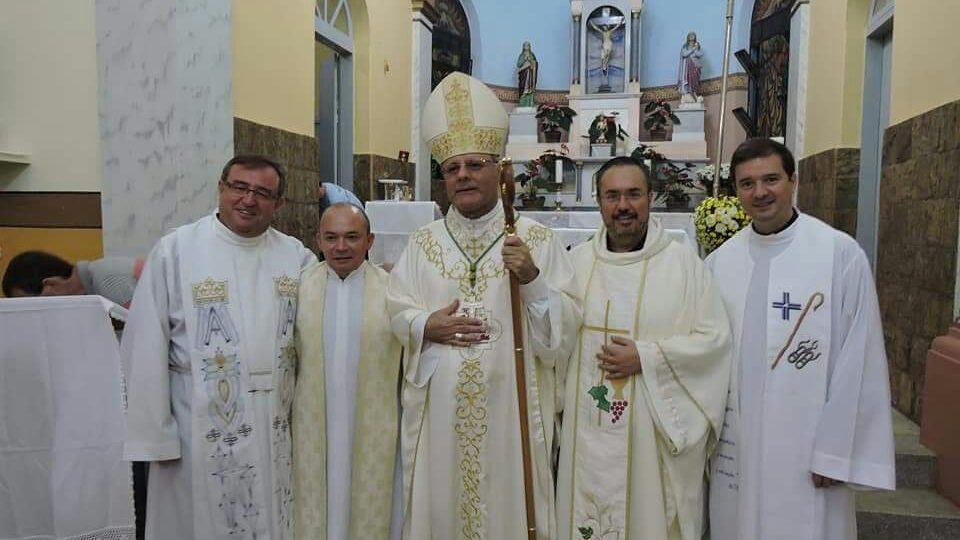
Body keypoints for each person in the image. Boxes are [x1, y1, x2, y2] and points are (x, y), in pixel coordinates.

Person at [387, 71, 581, 539]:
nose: (463, 176)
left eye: (474, 164)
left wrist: (532, 279)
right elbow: (394, 308)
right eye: (453, 169)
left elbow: (564, 334)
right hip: (440, 420)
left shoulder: (536, 240)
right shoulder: (422, 243)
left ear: (500, 169)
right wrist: (422, 325)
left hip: (512, 416)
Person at [707, 138, 895, 540]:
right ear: (736, 191)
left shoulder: (838, 254)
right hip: (737, 446)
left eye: (771, 179)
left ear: (794, 180)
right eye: (747, 183)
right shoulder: (720, 263)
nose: (760, 193)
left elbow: (858, 359)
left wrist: (836, 451)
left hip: (809, 448)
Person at [121, 155, 317, 540]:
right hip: (197, 426)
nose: (249, 200)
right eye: (240, 187)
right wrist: (155, 434)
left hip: (277, 423)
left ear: (279, 204)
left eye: (263, 193)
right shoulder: (176, 251)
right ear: (221, 188)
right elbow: (145, 343)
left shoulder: (297, 257)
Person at [556, 156, 732, 540]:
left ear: (651, 198)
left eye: (633, 194)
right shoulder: (576, 264)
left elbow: (714, 342)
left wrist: (648, 357)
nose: (623, 206)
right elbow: (553, 341)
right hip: (584, 434)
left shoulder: (683, 265)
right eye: (612, 195)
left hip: (651, 441)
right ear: (598, 201)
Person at [292, 202, 403, 540]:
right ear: (318, 240)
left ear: (369, 241)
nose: (341, 247)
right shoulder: (298, 289)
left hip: (375, 426)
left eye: (352, 237)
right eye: (332, 237)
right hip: (312, 428)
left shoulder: (393, 290)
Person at [2, 250, 143, 307]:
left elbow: (151, 339)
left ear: (50, 284)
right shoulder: (93, 286)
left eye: (33, 304)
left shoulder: (106, 281)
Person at [677, 31, 704, 102]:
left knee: (695, 80)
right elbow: (684, 54)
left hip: (695, 67)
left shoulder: (697, 45)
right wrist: (693, 49)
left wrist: (696, 49)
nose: (692, 36)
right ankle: (688, 93)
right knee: (687, 79)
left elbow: (700, 54)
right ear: (688, 37)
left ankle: (694, 93)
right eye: (690, 35)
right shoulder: (685, 46)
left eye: (693, 35)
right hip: (687, 67)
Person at [516, 41, 538, 108]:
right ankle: (522, 102)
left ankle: (530, 102)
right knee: (523, 87)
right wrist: (524, 59)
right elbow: (518, 64)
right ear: (523, 47)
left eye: (528, 45)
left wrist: (532, 62)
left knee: (530, 88)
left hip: (530, 74)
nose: (526, 46)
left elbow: (535, 63)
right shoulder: (521, 55)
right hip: (523, 74)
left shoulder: (532, 55)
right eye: (525, 45)